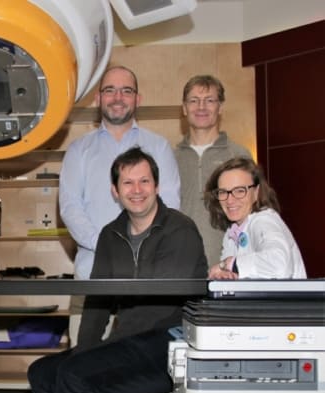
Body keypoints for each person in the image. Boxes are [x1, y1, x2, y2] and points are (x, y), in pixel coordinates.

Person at [29, 147, 207, 393]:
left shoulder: (179, 229)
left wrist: (102, 350)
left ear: (156, 186)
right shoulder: (110, 235)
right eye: (128, 182)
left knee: (74, 375)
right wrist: (85, 350)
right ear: (115, 190)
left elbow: (160, 306)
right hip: (129, 340)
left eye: (144, 181)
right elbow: (97, 300)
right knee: (42, 372)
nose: (137, 190)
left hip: (170, 343)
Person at [59, 65, 181, 345]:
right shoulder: (79, 151)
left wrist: (136, 247)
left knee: (134, 376)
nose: (117, 97)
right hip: (90, 278)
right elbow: (70, 208)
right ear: (98, 99)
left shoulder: (159, 147)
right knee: (83, 371)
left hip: (145, 284)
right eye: (109, 90)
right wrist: (107, 244)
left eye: (126, 91)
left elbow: (170, 207)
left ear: (138, 99)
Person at [175, 74, 251, 267]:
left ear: (220, 107)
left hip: (228, 264)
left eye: (209, 100)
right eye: (194, 101)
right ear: (184, 108)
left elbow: (253, 213)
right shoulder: (169, 157)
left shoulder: (239, 155)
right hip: (181, 264)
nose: (201, 107)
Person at [204, 157, 306, 279]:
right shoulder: (233, 232)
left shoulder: (264, 220)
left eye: (240, 191)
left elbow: (279, 264)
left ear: (256, 192)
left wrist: (228, 263)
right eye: (223, 192)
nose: (230, 200)